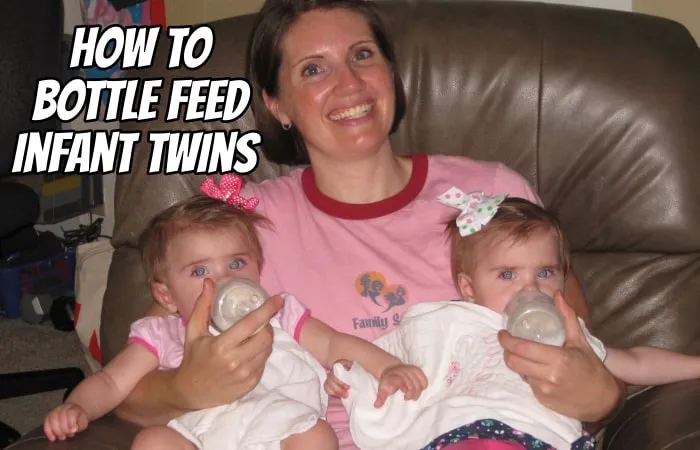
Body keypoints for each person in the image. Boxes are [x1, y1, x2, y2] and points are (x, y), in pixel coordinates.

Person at [115, 0, 625, 448]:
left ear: (391, 73)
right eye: (313, 70)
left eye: (362, 56)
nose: (349, 83)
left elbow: (582, 353)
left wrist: (597, 394)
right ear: (276, 105)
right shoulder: (235, 228)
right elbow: (133, 387)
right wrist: (185, 388)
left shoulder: (492, 195)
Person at [42, 176, 427, 450]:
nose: (222, 280)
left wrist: (386, 366)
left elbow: (332, 343)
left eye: (237, 264)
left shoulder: (280, 313)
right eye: (199, 271)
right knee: (152, 443)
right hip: (198, 432)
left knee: (317, 439)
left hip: (283, 425)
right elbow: (112, 383)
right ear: (166, 294)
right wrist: (78, 407)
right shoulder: (162, 333)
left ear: (259, 269)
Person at [326, 193, 700, 450]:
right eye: (507, 275)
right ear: (468, 287)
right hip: (454, 435)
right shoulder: (444, 321)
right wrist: (349, 374)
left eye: (547, 272)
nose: (530, 287)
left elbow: (633, 361)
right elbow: (377, 357)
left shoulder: (565, 333)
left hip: (531, 437)